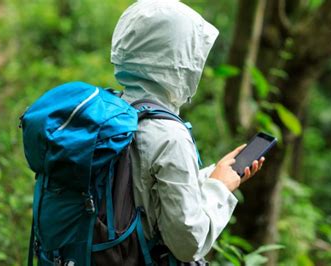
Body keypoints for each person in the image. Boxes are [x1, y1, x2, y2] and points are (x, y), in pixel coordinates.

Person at [110, 0, 265, 264]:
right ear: (177, 58)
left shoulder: (114, 110)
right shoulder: (169, 135)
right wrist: (220, 188)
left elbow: (143, 187)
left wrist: (211, 175)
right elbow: (187, 243)